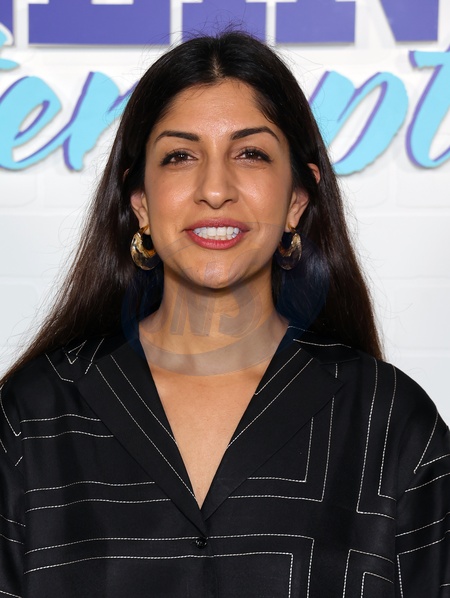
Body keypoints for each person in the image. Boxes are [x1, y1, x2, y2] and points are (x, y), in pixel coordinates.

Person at [0, 31, 448, 597]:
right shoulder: (32, 419)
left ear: (297, 200)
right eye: (180, 156)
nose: (215, 190)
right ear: (140, 203)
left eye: (250, 154)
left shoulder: (390, 422)